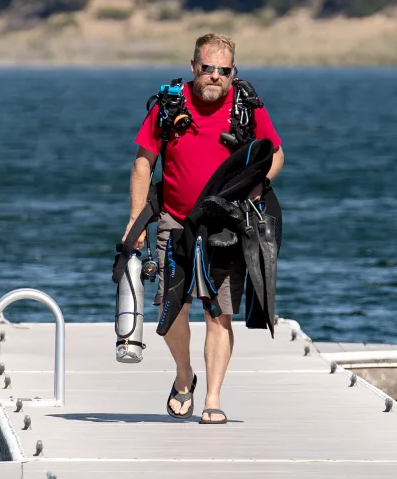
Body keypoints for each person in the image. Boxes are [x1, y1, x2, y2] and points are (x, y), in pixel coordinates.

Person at [122, 33, 284, 424]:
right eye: (207, 68)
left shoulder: (246, 106)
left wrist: (258, 185)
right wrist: (135, 219)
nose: (214, 76)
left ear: (233, 72)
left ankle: (212, 398)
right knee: (170, 310)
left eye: (223, 70)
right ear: (193, 67)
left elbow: (274, 153)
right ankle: (184, 376)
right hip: (174, 221)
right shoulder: (169, 105)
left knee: (219, 314)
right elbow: (144, 162)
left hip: (227, 223)